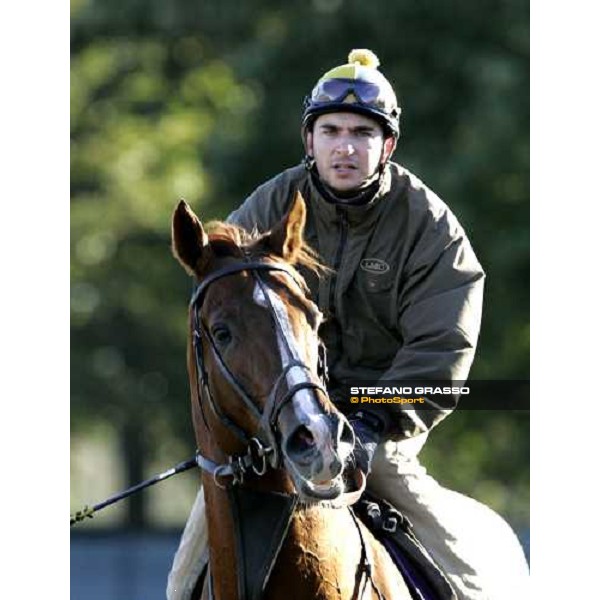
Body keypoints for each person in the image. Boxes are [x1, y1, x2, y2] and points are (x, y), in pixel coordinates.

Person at [168, 49, 529, 600]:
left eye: (362, 133)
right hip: (276, 424)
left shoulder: (432, 229)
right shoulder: (268, 205)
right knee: (181, 578)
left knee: (464, 573)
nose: (345, 146)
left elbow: (444, 350)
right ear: (309, 141)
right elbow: (226, 312)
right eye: (331, 130)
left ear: (386, 146)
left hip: (379, 428)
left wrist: (371, 422)